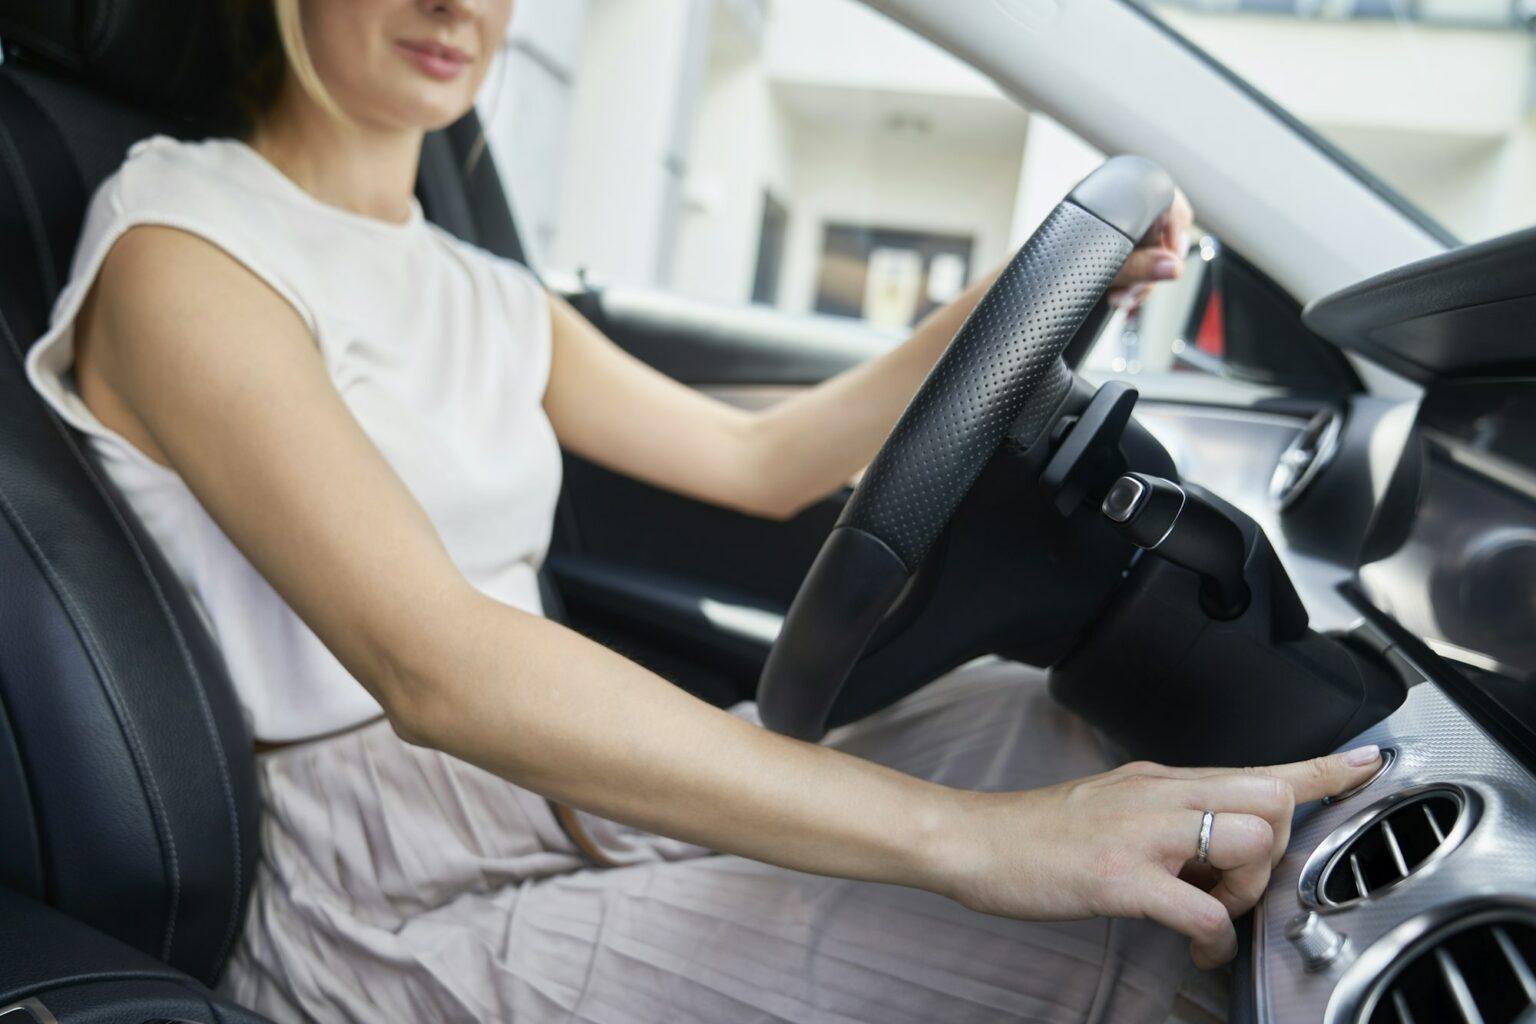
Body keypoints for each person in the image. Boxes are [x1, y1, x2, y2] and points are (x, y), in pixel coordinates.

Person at [24, 0, 1384, 1020]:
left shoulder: (478, 285)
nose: (456, 8)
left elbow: (762, 463)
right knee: (1115, 929)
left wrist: (1025, 302)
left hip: (560, 798)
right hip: (381, 895)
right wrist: (975, 843)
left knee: (1065, 726)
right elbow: (434, 661)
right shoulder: (182, 248)